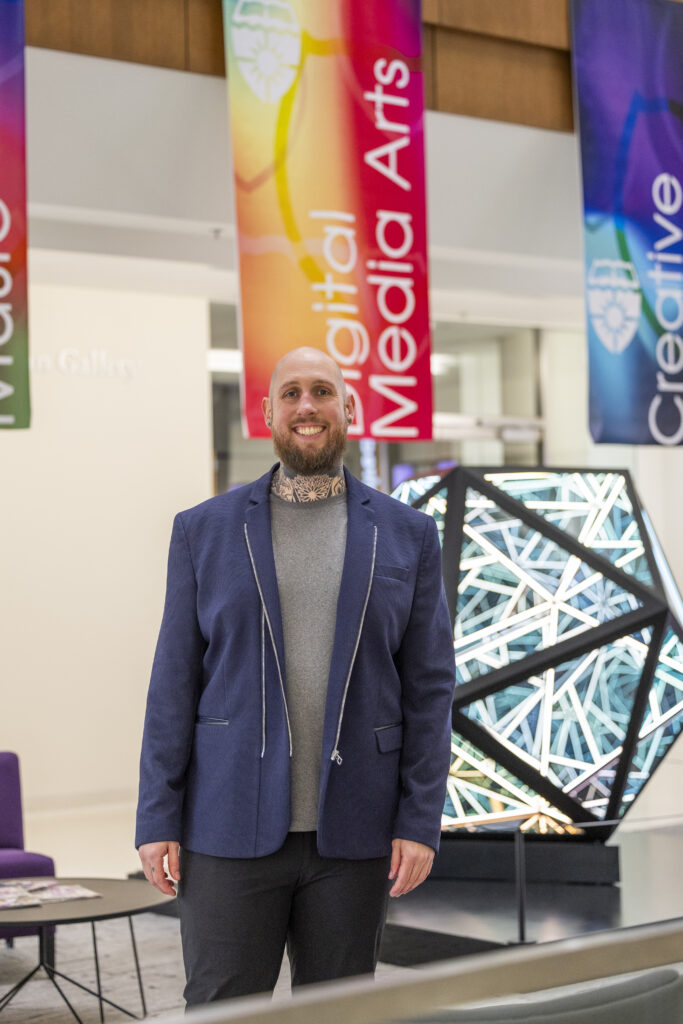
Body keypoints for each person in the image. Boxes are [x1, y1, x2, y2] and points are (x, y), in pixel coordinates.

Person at [136, 346, 455, 1005]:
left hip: (357, 830)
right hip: (226, 824)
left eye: (321, 392)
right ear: (267, 413)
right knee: (223, 1006)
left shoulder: (407, 534)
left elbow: (428, 689)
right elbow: (173, 681)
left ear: (349, 408)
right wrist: (156, 814)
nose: (306, 406)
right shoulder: (204, 531)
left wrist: (420, 819)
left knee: (339, 1012)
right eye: (290, 394)